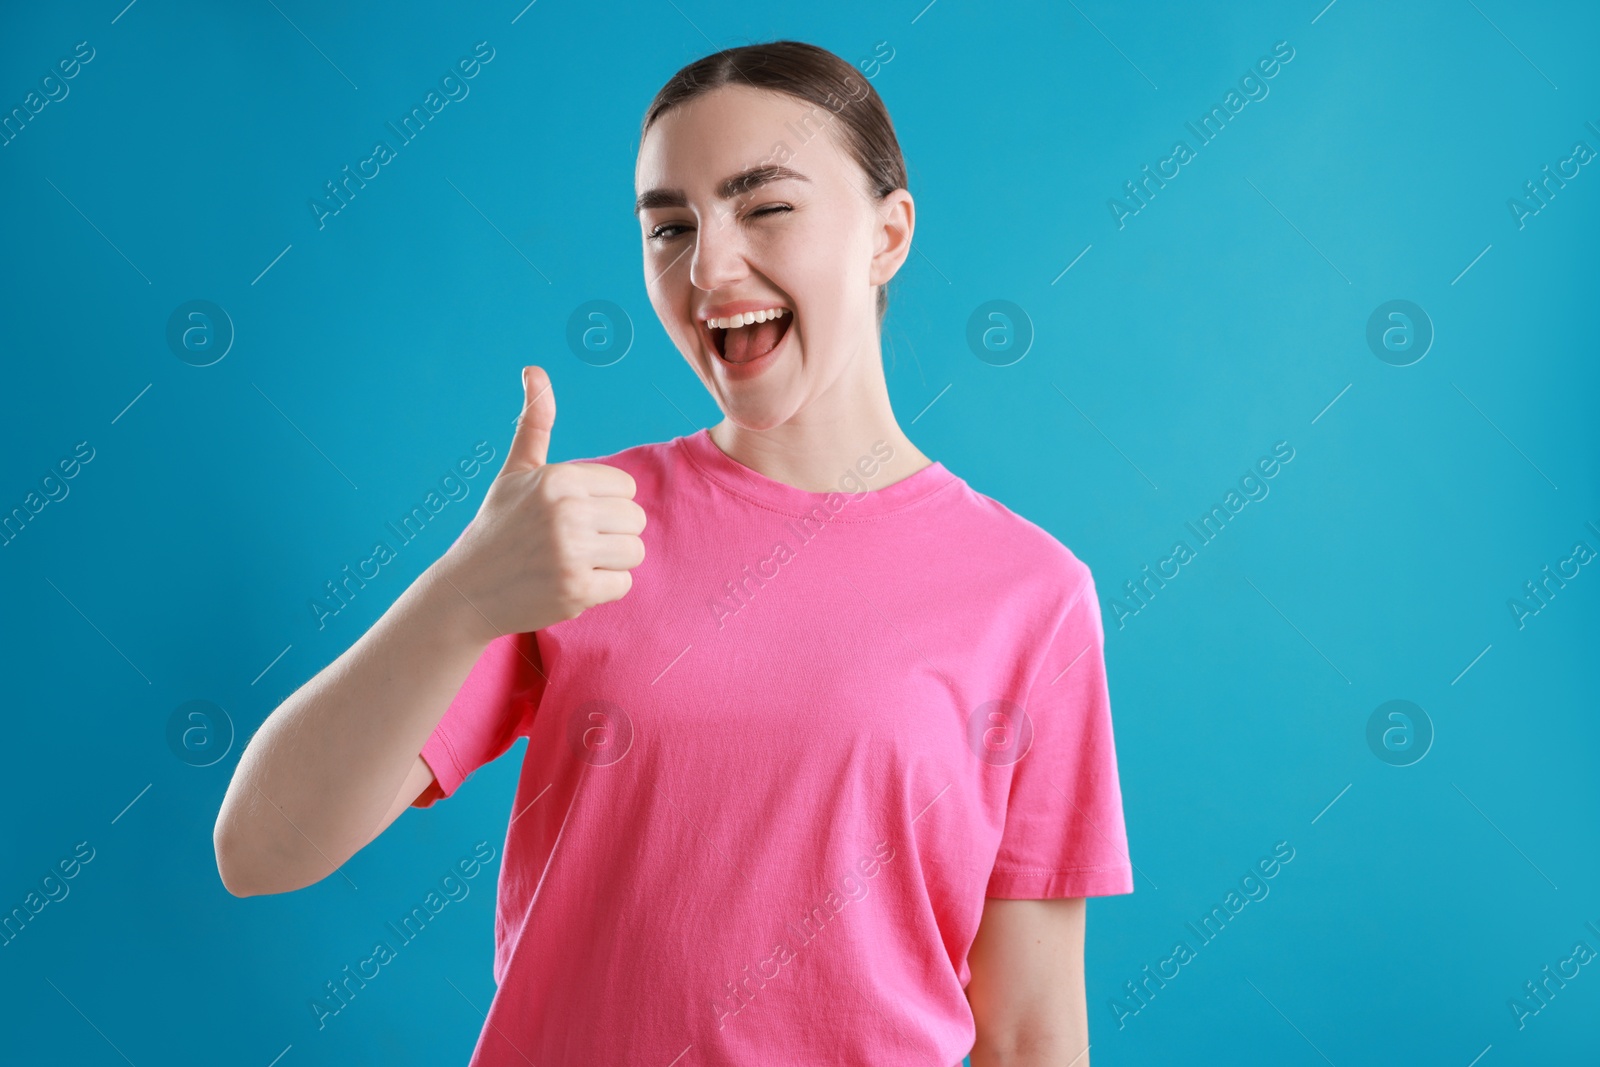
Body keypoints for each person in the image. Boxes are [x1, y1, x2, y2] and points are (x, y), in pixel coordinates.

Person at [214, 39, 1133, 1067]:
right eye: (669, 227)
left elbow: (1029, 1032)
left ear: (888, 233)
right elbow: (258, 849)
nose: (707, 267)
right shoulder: (575, 533)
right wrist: (461, 592)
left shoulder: (1030, 596)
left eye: (765, 205)